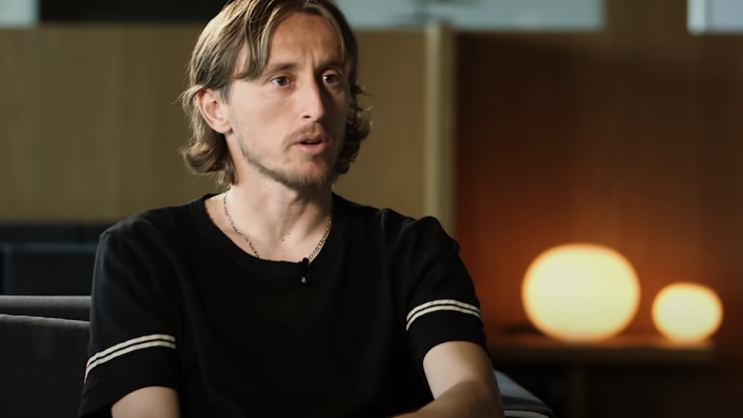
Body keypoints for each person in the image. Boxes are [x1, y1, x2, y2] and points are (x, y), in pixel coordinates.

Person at [78, 1, 504, 417]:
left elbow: (475, 397)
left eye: (331, 77)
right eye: (282, 80)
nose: (316, 107)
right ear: (216, 108)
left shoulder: (411, 248)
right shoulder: (144, 251)